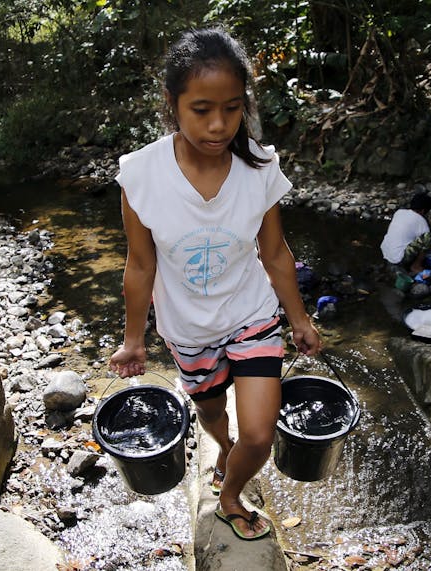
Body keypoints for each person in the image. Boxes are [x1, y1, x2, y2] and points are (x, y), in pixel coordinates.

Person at [108, 27, 321, 541]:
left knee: (260, 432)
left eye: (232, 107)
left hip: (252, 314)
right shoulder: (140, 175)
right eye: (202, 109)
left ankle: (229, 495)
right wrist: (133, 339)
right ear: (172, 103)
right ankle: (223, 451)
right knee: (210, 412)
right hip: (188, 329)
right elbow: (140, 266)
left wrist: (299, 320)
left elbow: (274, 253)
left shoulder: (261, 167)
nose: (220, 124)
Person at [380, 192, 431, 274]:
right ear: (424, 210)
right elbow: (426, 242)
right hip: (398, 259)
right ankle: (416, 265)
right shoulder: (422, 221)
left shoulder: (399, 212)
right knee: (426, 238)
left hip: (386, 251)